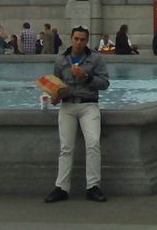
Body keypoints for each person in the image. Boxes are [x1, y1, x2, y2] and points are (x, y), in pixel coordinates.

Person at [44, 26, 110, 204]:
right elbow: (55, 83)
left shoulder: (96, 59)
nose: (79, 42)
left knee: (93, 143)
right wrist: (55, 95)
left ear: (87, 41)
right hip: (67, 106)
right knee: (65, 147)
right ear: (71, 39)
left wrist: (87, 77)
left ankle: (93, 186)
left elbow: (105, 83)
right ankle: (61, 187)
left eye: (82, 39)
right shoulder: (60, 60)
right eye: (76, 39)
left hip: (89, 105)